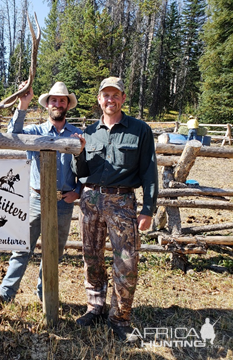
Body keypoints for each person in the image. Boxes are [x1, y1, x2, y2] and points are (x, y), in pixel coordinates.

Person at [0, 81, 83, 308]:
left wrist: (77, 190)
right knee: (22, 247)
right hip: (36, 198)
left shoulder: (77, 134)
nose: (58, 104)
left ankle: (45, 293)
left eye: (62, 100)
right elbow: (11, 136)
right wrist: (23, 105)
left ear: (67, 105)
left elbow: (88, 166)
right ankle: (5, 294)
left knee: (53, 252)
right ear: (47, 105)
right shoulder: (35, 131)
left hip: (63, 201)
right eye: (54, 100)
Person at [75, 77, 158, 342]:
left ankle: (120, 318)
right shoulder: (89, 132)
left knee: (126, 261)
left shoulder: (139, 130)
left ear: (123, 98)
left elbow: (149, 170)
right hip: (90, 201)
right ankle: (95, 307)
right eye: (105, 96)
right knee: (92, 258)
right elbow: (83, 172)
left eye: (115, 95)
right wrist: (78, 155)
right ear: (99, 100)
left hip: (122, 203)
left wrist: (148, 208)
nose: (110, 100)